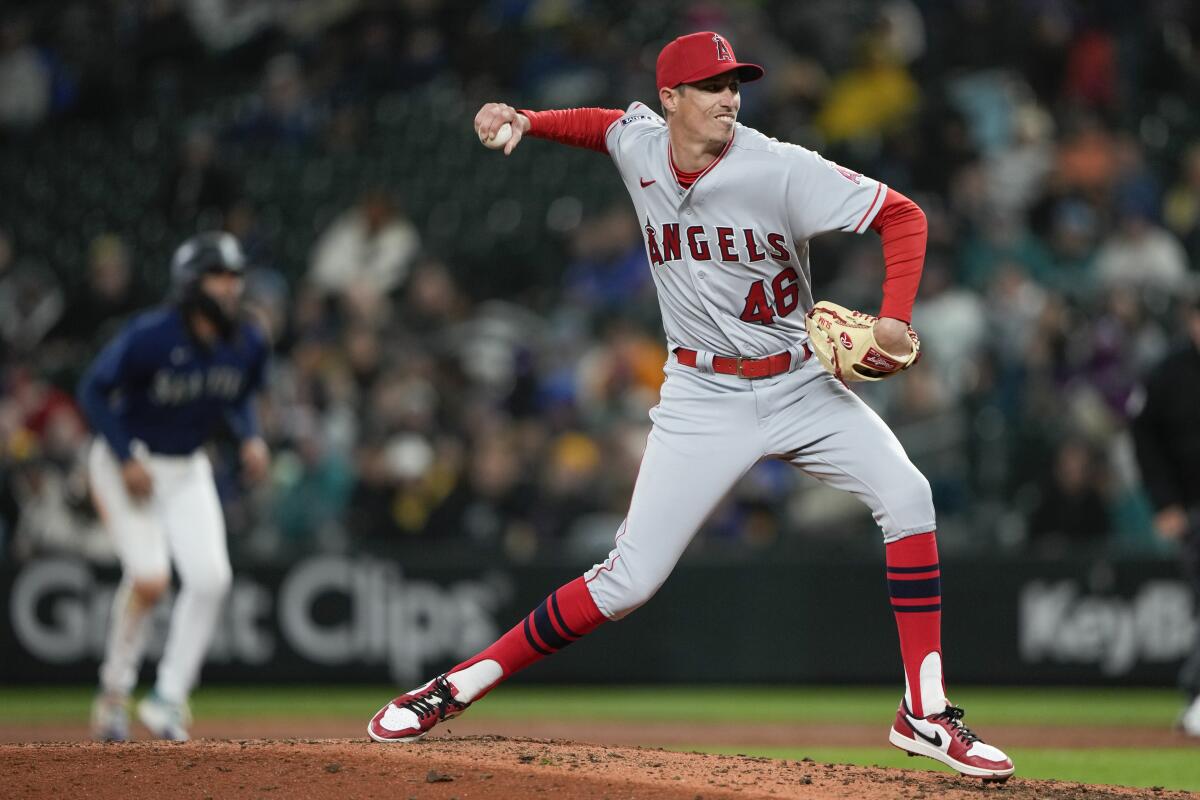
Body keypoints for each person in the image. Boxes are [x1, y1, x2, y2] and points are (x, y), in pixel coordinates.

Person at [367, 31, 1014, 782]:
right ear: (670, 99)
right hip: (704, 395)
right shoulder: (642, 144)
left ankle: (924, 712)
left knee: (909, 496)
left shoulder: (777, 167)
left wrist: (896, 313)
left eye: (734, 83)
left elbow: (903, 216)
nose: (729, 98)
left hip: (800, 382)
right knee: (628, 581)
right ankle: (454, 687)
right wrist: (528, 119)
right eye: (710, 86)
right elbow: (603, 126)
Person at [79, 232, 271, 741]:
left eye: (234, 276)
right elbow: (94, 390)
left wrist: (250, 437)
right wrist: (122, 456)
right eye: (219, 276)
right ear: (191, 283)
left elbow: (240, 394)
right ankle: (113, 694)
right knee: (150, 577)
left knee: (210, 579)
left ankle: (168, 698)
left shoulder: (247, 340)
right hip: (130, 463)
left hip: (187, 467)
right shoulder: (151, 335)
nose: (231, 287)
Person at [1130, 296, 1200, 738]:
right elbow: (1144, 439)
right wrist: (1165, 504)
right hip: (1193, 505)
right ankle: (1197, 697)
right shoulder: (1168, 373)